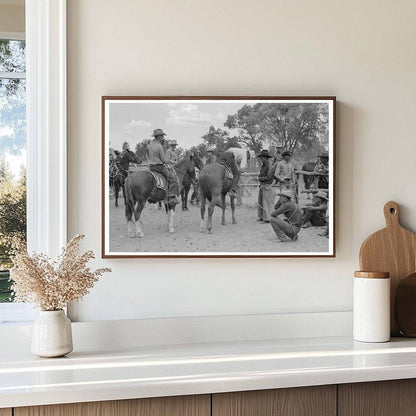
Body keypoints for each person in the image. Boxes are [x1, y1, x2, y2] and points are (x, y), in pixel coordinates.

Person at [148, 128, 179, 204]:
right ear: (158, 137)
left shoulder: (150, 145)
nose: (163, 138)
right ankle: (170, 197)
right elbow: (164, 159)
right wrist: (172, 162)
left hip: (151, 166)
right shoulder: (159, 146)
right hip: (159, 167)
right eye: (162, 136)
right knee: (173, 179)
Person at [256, 149, 275, 223]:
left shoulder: (269, 166)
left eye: (262, 157)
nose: (261, 159)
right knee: (261, 202)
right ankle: (261, 217)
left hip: (267, 185)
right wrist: (259, 179)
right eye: (261, 157)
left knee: (266, 203)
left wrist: (259, 178)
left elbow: (269, 177)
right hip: (262, 185)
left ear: (266, 158)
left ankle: (268, 218)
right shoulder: (263, 166)